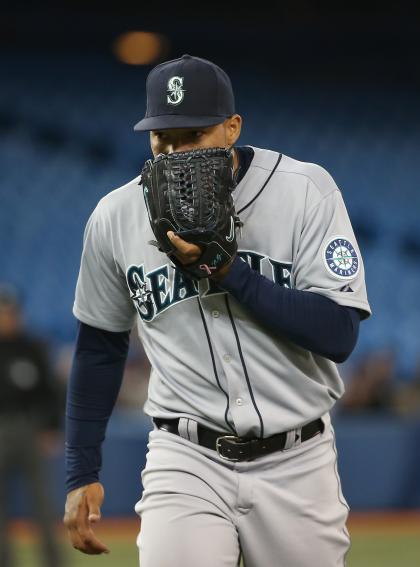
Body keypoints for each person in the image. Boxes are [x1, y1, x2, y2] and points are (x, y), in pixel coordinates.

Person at [63, 54, 372, 566]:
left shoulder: (304, 191)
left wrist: (227, 271)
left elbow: (338, 333)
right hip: (186, 457)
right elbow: (99, 346)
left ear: (231, 129)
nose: (175, 152)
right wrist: (80, 472)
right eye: (162, 139)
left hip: (297, 459)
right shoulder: (116, 216)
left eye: (192, 136)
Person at [0, 284, 63, 567]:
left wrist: (51, 428)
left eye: (10, 311)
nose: (7, 317)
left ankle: (53, 562)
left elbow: (51, 391)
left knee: (42, 505)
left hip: (30, 427)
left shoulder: (33, 346)